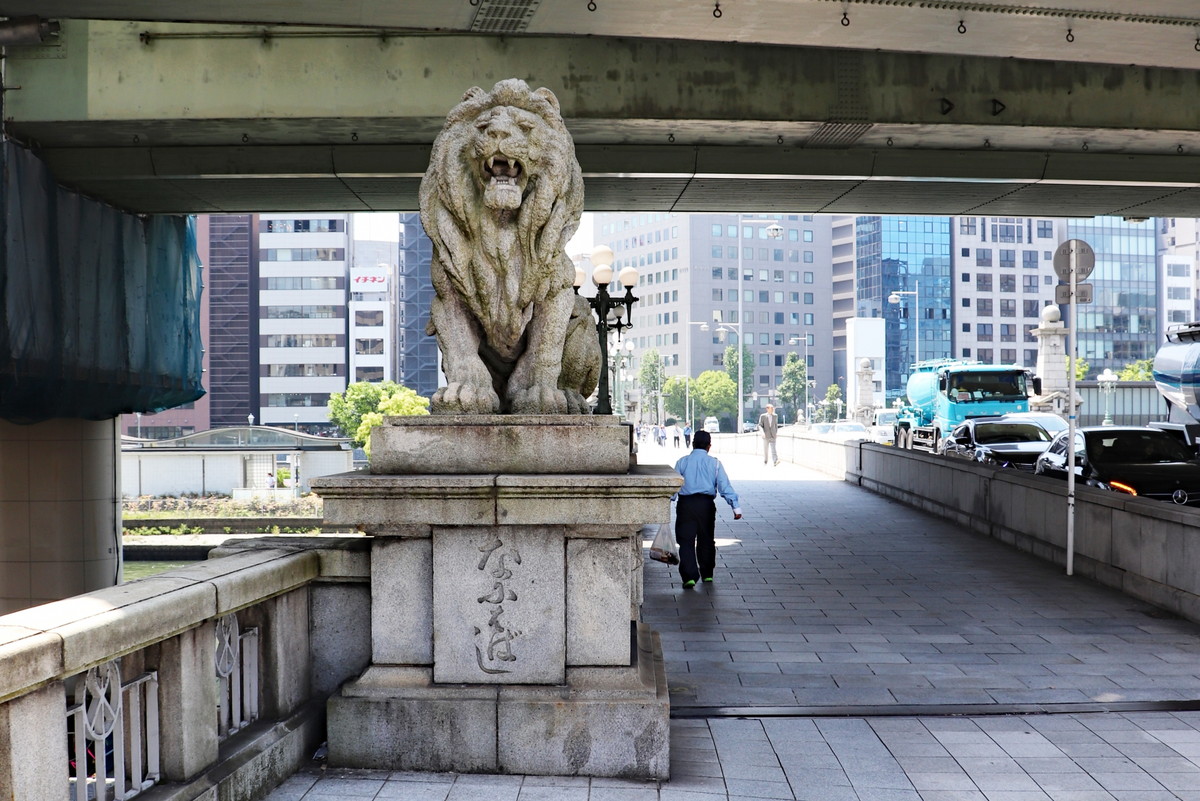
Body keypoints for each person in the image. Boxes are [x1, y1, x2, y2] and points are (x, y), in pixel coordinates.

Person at [672, 430, 742, 588]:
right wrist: (735, 507)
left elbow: (673, 487)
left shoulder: (682, 462)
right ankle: (707, 573)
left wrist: (668, 500)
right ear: (709, 446)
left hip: (686, 505)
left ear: (692, 443)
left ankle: (689, 576)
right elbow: (724, 486)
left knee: (686, 541)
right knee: (706, 539)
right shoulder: (715, 463)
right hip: (706, 505)